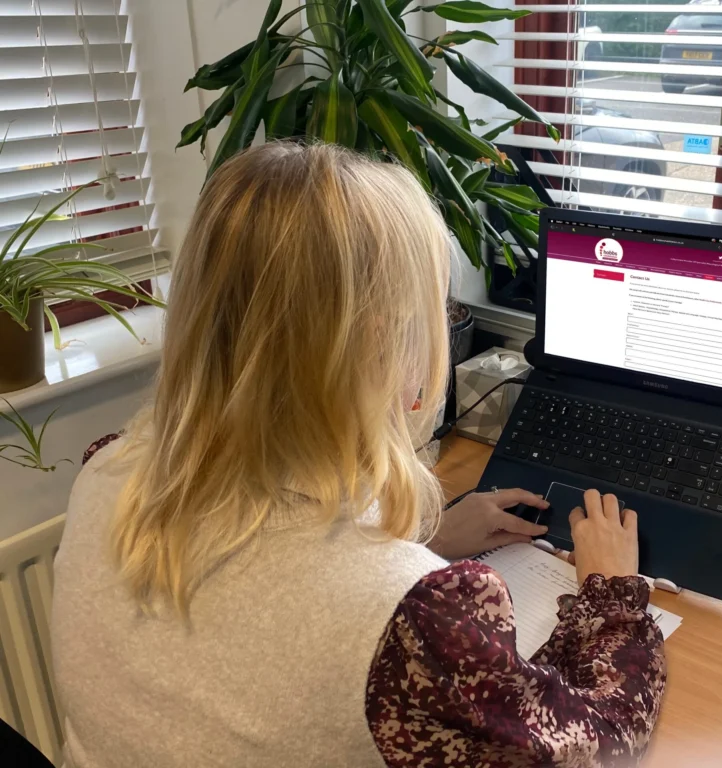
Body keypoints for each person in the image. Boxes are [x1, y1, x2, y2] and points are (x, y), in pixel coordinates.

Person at [51, 143, 666, 768]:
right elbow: (594, 747)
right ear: (379, 339)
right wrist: (611, 591)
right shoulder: (414, 621)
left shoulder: (106, 473)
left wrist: (423, 544)